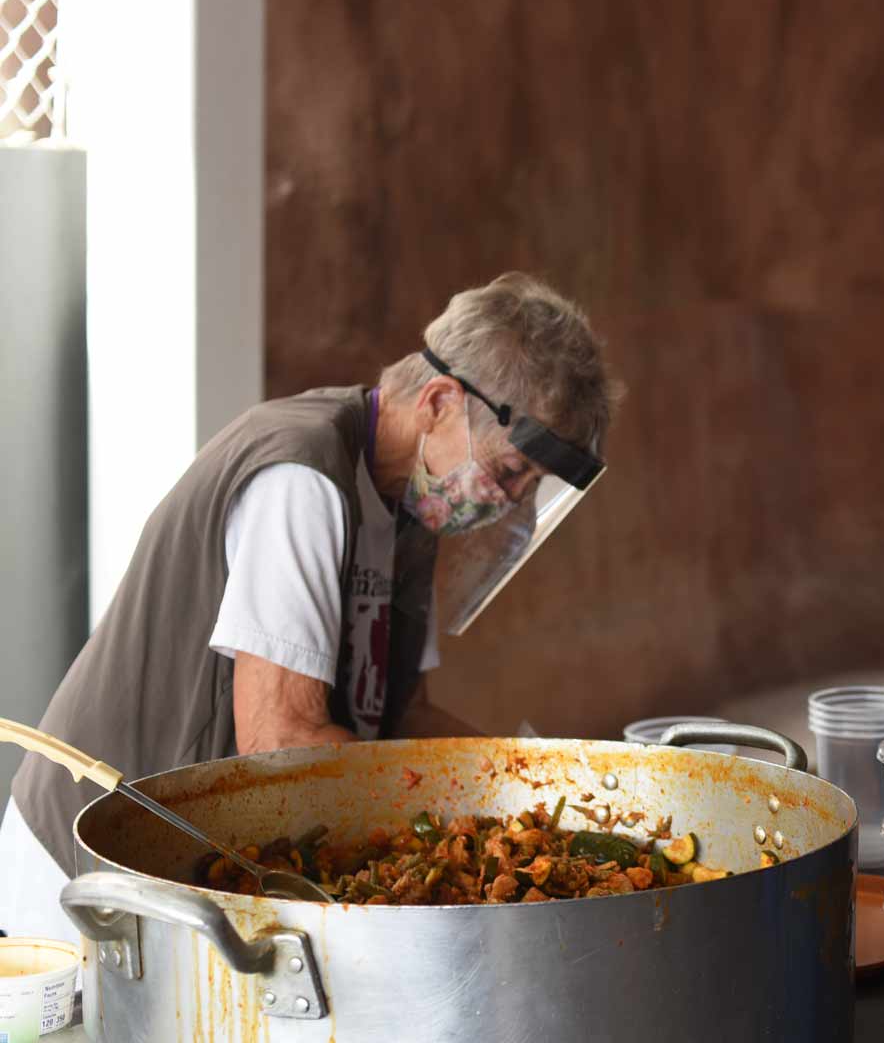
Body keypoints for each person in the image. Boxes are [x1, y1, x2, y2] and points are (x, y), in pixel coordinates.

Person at [0, 273, 621, 942]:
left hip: (199, 876)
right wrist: (470, 821)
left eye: (530, 487)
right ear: (439, 401)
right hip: (94, 880)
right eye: (507, 473)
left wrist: (539, 785)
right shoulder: (300, 478)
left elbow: (402, 712)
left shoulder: (410, 503)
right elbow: (281, 744)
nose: (511, 503)